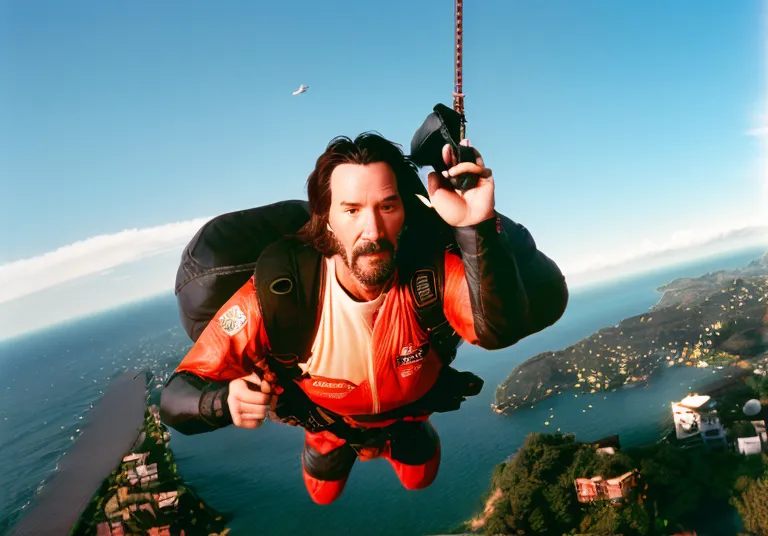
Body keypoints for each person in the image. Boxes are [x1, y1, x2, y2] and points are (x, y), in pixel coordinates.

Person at [160, 132, 568, 504]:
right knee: (322, 493)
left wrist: (474, 225)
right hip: (327, 425)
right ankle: (328, 443)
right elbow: (177, 398)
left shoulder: (429, 277)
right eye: (351, 210)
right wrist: (220, 401)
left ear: (404, 213)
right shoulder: (281, 294)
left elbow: (496, 327)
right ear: (325, 219)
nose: (371, 229)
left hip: (411, 412)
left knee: (419, 479)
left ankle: (395, 436)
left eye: (387, 206)